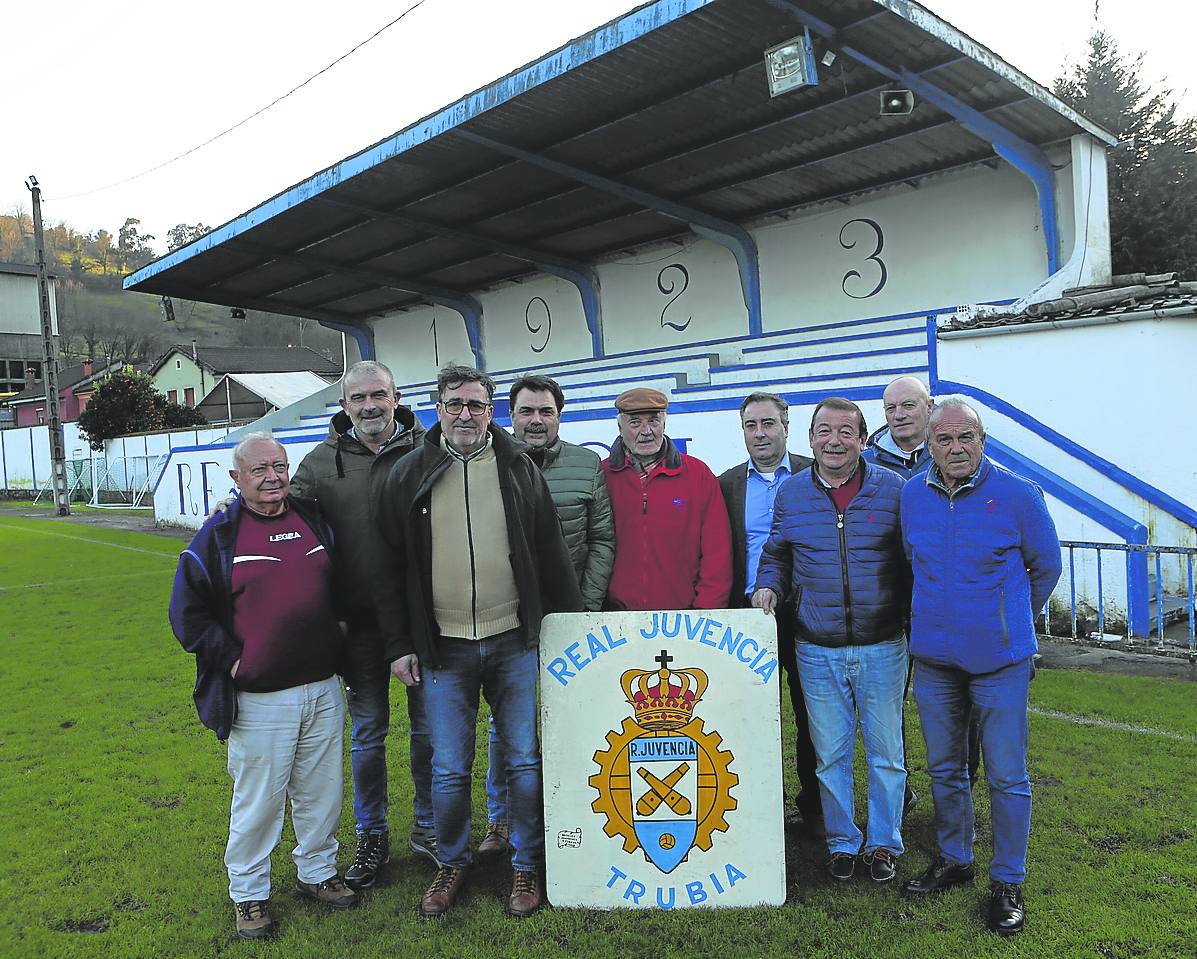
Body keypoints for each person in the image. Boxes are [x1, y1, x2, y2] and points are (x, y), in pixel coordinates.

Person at [372, 364, 583, 919]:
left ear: (491, 410)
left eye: (476, 404)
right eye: (455, 403)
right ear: (438, 407)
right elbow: (389, 568)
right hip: (443, 647)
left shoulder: (516, 466)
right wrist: (399, 643)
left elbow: (550, 551)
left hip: (513, 640)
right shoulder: (407, 471)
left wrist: (565, 628)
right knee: (448, 767)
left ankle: (526, 863)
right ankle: (453, 860)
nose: (465, 414)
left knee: (524, 762)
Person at [169, 434, 356, 941]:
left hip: (321, 688)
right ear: (236, 478)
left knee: (322, 793)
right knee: (259, 802)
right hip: (260, 699)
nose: (272, 477)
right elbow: (187, 614)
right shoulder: (218, 535)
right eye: (259, 470)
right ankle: (248, 895)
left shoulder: (312, 518)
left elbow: (338, 586)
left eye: (279, 466)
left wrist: (337, 635)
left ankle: (317, 874)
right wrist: (235, 662)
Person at [900, 398, 1061, 937]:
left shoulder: (1018, 494)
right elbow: (912, 561)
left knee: (1007, 776)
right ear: (930, 447)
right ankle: (954, 857)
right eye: (944, 440)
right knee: (945, 768)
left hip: (1000, 663)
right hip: (935, 662)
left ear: (982, 440)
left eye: (965, 437)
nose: (956, 448)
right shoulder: (911, 495)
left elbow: (1046, 566)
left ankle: (1008, 881)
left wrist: (1009, 620)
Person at [288, 360, 433, 888]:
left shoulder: (430, 449)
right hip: (359, 627)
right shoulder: (320, 464)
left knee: (429, 732)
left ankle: (428, 828)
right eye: (358, 398)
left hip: (425, 620)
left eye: (378, 395)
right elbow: (281, 523)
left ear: (396, 397)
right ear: (344, 405)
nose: (369, 406)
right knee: (369, 735)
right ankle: (373, 836)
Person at [753, 398, 909, 885]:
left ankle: (883, 843)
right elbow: (777, 551)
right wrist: (769, 584)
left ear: (862, 440)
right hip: (815, 647)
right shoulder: (792, 494)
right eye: (825, 431)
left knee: (887, 754)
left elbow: (912, 559)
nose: (835, 441)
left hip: (883, 643)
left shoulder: (894, 490)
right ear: (811, 439)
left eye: (846, 432)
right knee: (831, 755)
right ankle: (843, 841)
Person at [479, 374, 616, 858]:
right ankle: (500, 819)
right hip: (507, 620)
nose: (536, 421)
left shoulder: (586, 465)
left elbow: (602, 539)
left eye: (546, 412)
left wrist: (585, 610)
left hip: (568, 619)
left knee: (574, 717)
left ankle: (574, 805)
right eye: (526, 412)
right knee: (507, 725)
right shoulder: (484, 463)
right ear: (509, 415)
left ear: (560, 415)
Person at [716, 393, 822, 833]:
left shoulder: (814, 474)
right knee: (745, 716)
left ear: (786, 427)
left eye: (768, 424)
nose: (759, 433)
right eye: (750, 425)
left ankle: (815, 809)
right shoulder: (726, 485)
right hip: (747, 616)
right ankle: (755, 808)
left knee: (811, 715)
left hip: (809, 615)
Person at [602, 386, 732, 611]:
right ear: (620, 427)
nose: (646, 431)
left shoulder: (698, 475)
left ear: (664, 424)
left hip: (685, 620)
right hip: (615, 621)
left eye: (654, 421)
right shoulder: (602, 476)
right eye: (635, 423)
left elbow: (717, 553)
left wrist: (705, 611)